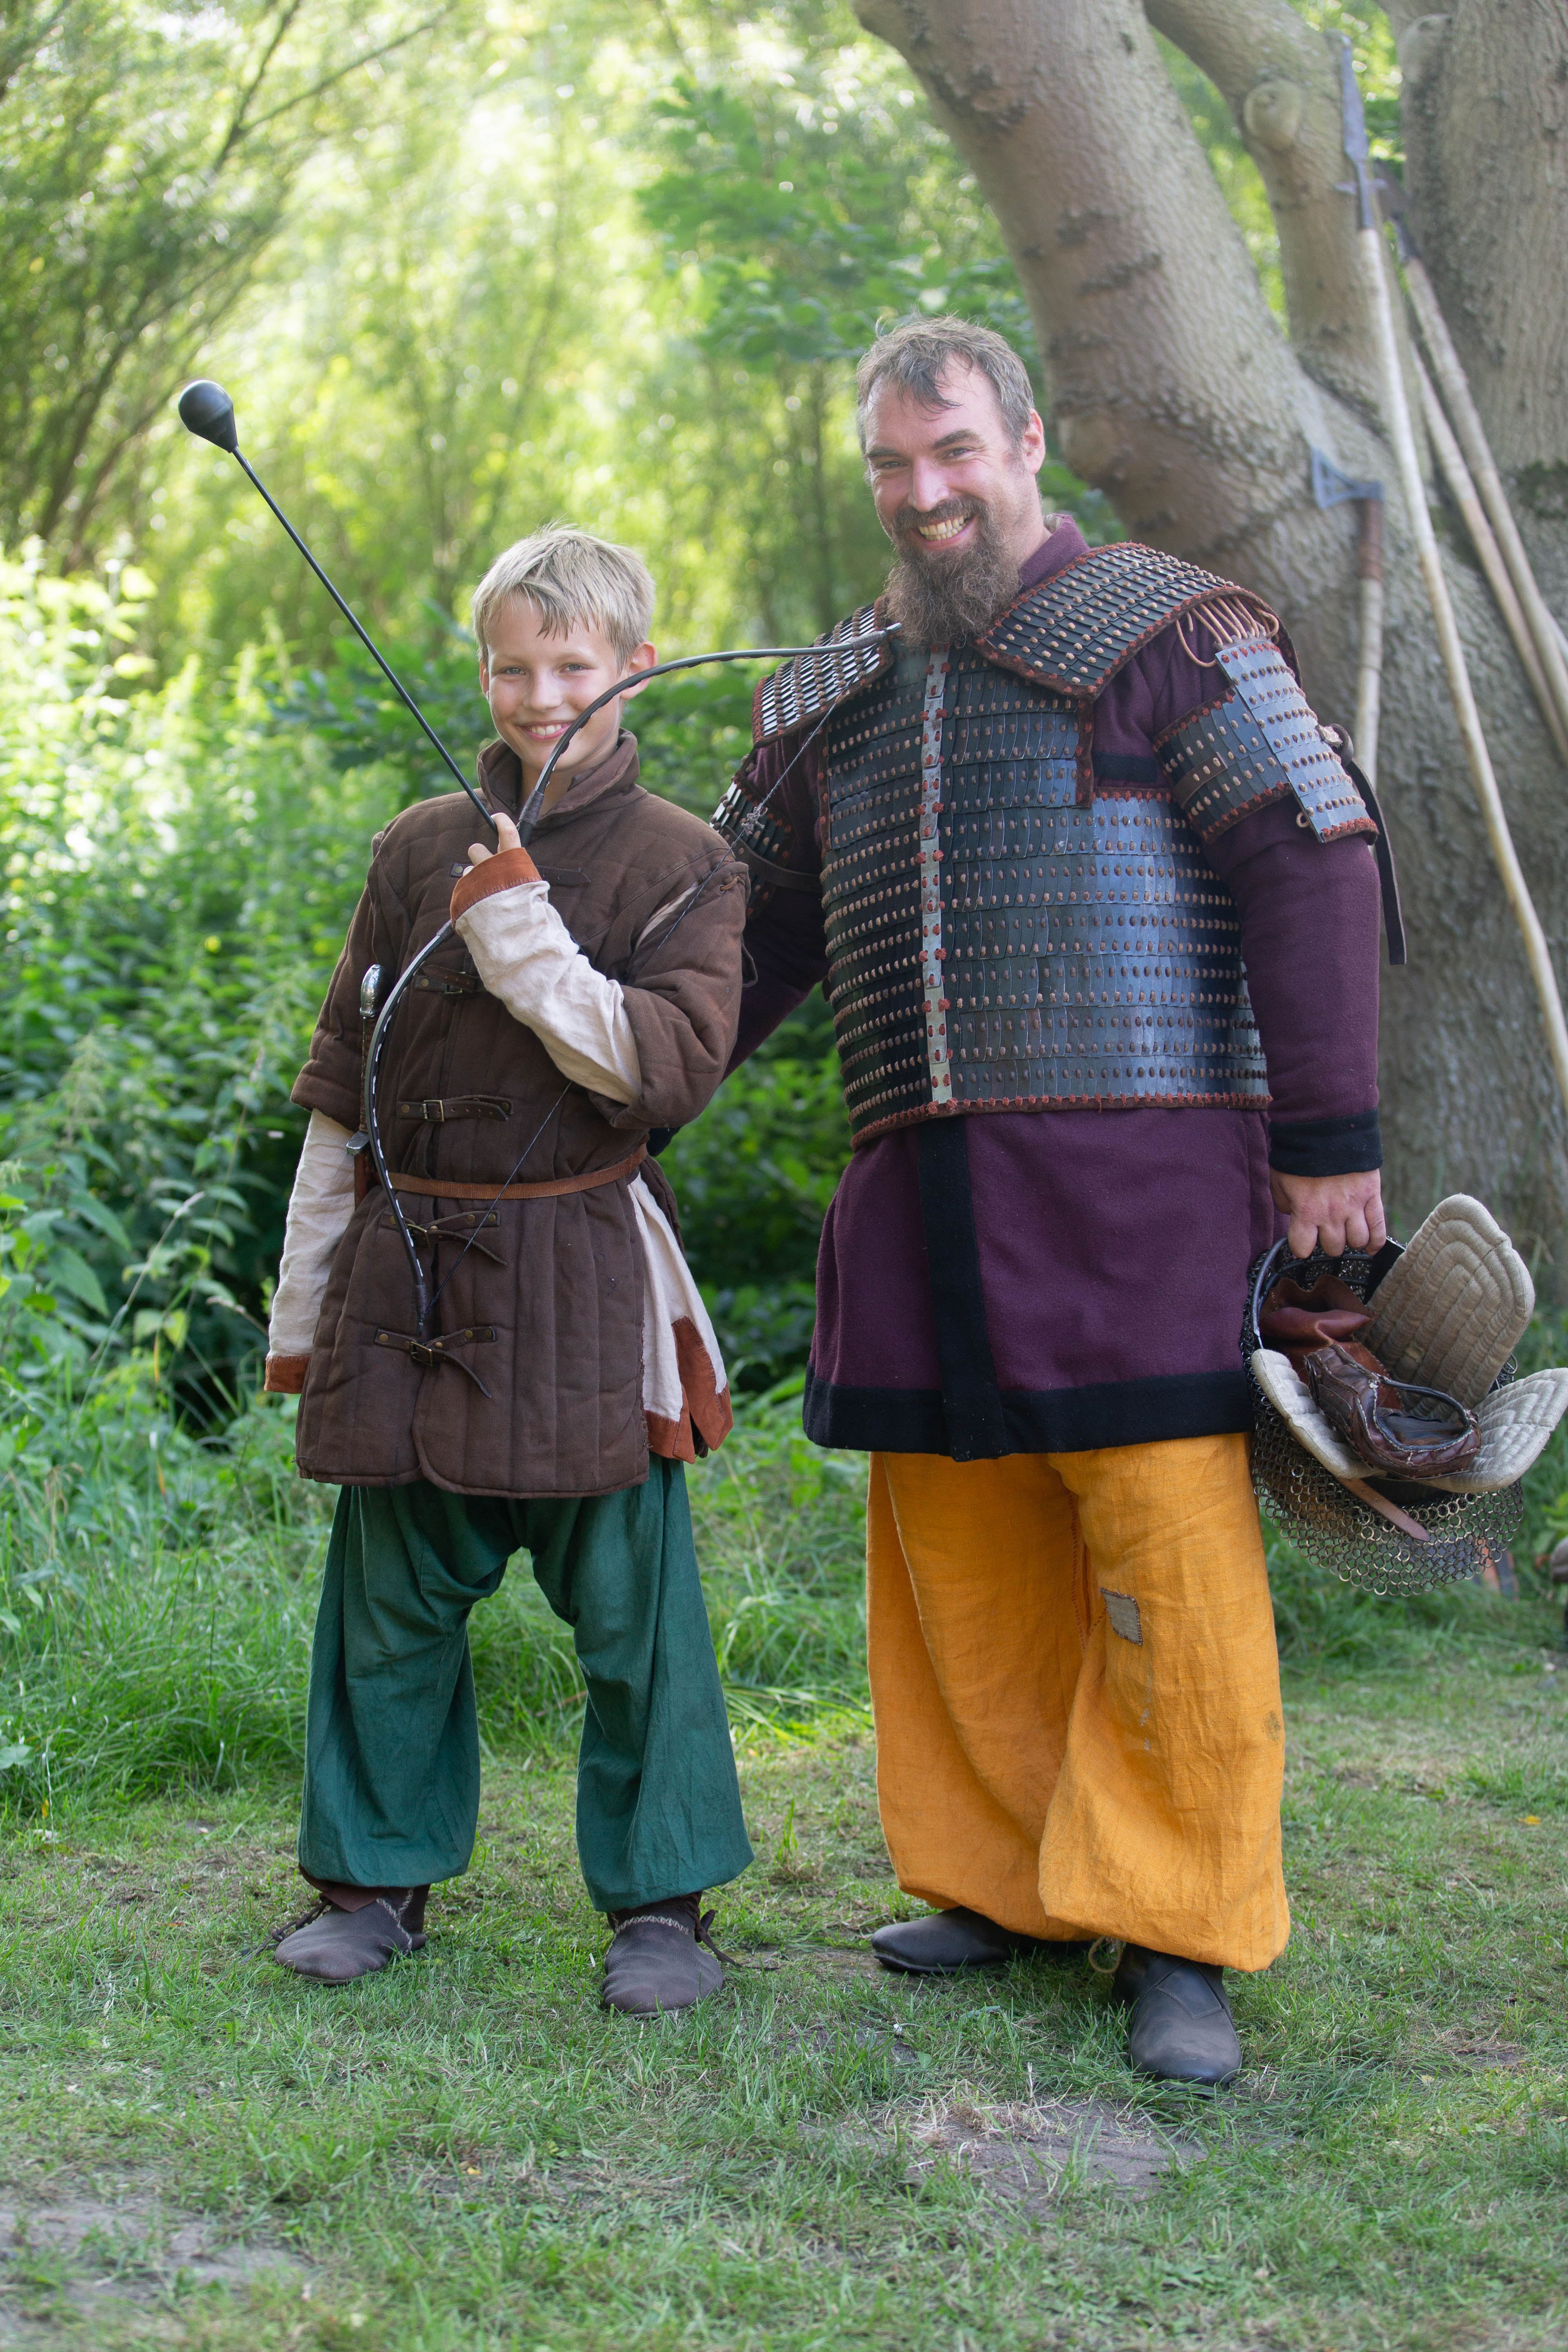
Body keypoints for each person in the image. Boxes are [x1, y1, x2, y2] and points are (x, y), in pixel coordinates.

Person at [713, 317, 1392, 2085]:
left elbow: (1311, 858)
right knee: (961, 1561)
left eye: (954, 451)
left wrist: (1331, 1139)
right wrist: (613, 1098)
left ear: (1025, 444)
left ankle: (1177, 1926)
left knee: (1169, 1560)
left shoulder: (1175, 631)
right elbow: (733, 930)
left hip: (1141, 1195)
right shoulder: (837, 685)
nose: (924, 492)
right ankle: (1006, 1881)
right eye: (891, 465)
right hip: (918, 1197)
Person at [262, 526, 753, 2013]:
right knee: (389, 1602)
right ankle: (371, 1882)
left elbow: (664, 1071)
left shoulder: (685, 860)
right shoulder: (416, 845)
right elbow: (345, 1087)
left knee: (634, 1613)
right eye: (512, 667)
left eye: (573, 667)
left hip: (583, 1274)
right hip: (410, 1275)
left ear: (634, 670)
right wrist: (306, 1299)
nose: (541, 697)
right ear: (482, 671)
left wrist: (524, 937)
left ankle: (661, 1907)